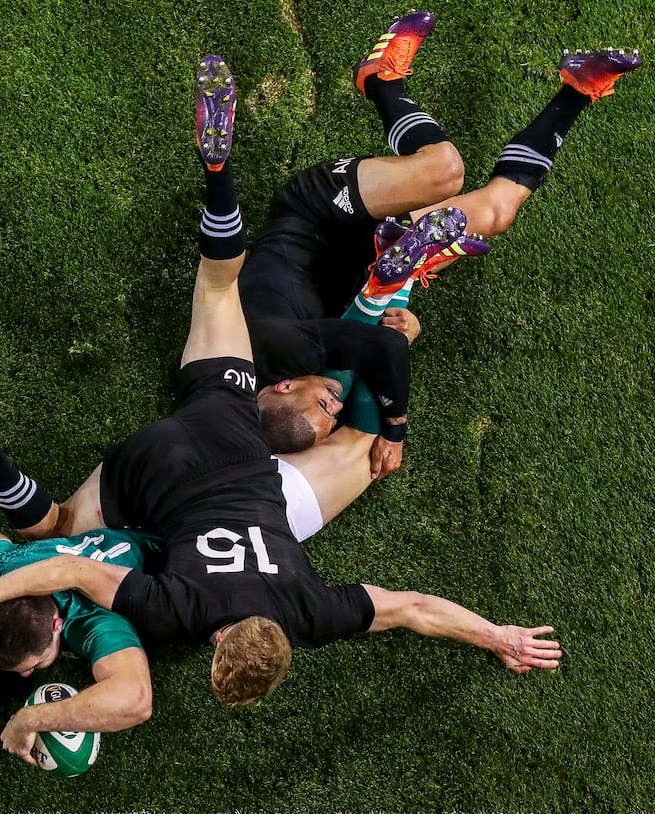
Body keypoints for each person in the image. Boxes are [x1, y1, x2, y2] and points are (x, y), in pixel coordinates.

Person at [0, 54, 562, 717]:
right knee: (55, 524)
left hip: (232, 432)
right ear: (223, 640)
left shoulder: (306, 610)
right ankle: (226, 177)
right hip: (162, 457)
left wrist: (498, 633)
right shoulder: (181, 612)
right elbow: (72, 571)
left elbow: (410, 608)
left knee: (238, 301)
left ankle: (235, 182)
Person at [238, 11, 642, 475]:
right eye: (333, 414)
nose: (334, 402)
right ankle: (578, 88)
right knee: (497, 211)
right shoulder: (300, 398)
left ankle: (380, 80)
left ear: (284, 387)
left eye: (324, 405)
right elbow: (376, 354)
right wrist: (400, 331)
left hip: (315, 213)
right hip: (366, 258)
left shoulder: (275, 349)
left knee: (444, 170)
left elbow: (381, 354)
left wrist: (396, 428)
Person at [0, 526, 161, 764]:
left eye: (35, 662)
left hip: (164, 555)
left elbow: (137, 700)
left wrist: (29, 720)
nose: (28, 673)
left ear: (57, 625)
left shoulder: (92, 618)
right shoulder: (3, 567)